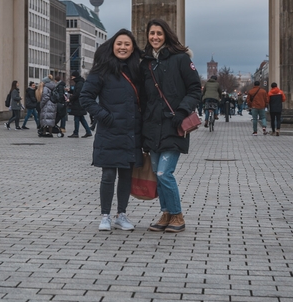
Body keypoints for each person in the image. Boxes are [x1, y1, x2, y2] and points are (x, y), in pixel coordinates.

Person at [140, 18, 202, 234]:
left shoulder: (181, 59)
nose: (155, 37)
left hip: (174, 124)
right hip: (152, 126)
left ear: (166, 34)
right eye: (151, 33)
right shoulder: (146, 62)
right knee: (157, 172)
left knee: (165, 173)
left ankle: (177, 215)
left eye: (159, 33)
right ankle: (165, 213)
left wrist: (182, 111)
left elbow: (195, 89)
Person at [80, 29, 143, 232]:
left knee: (126, 175)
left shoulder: (138, 71)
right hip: (109, 131)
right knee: (108, 175)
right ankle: (105, 215)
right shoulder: (102, 70)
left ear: (133, 48)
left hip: (131, 131)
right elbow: (85, 97)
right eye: (119, 44)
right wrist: (104, 116)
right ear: (112, 46)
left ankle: (121, 214)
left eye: (127, 44)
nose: (123, 47)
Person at [67, 70, 93, 138]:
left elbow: (77, 93)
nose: (71, 78)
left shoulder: (79, 83)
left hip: (78, 103)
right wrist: (70, 91)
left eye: (72, 76)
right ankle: (88, 131)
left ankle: (76, 133)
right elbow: (77, 91)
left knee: (77, 118)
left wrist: (70, 99)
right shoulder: (80, 82)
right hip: (80, 103)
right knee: (81, 118)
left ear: (75, 76)